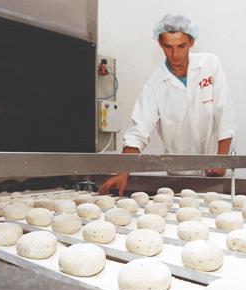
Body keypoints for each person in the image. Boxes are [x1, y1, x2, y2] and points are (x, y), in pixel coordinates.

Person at [99, 14, 235, 195]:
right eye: (168, 47)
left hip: (215, 167)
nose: (175, 54)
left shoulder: (210, 64)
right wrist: (123, 171)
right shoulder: (155, 84)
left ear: (191, 42)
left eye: (181, 46)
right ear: (160, 44)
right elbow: (139, 131)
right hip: (180, 173)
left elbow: (224, 111)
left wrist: (222, 159)